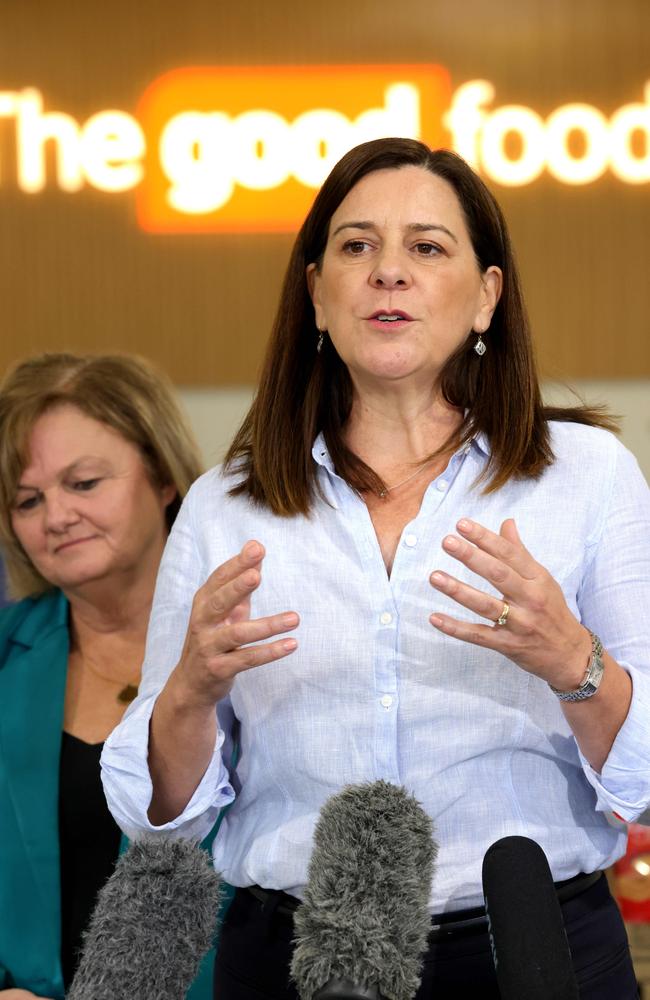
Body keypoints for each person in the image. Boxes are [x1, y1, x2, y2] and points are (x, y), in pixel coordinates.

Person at [102, 139, 650, 998]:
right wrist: (186, 697)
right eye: (357, 246)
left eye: (427, 247)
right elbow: (161, 817)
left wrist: (573, 662)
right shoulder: (225, 507)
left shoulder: (587, 478)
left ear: (487, 297)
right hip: (293, 961)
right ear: (317, 292)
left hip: (537, 953)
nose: (388, 272)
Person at [0, 353, 218, 999]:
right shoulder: (7, 658)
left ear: (162, 477)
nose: (56, 516)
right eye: (28, 500)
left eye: (85, 483)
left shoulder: (250, 645)